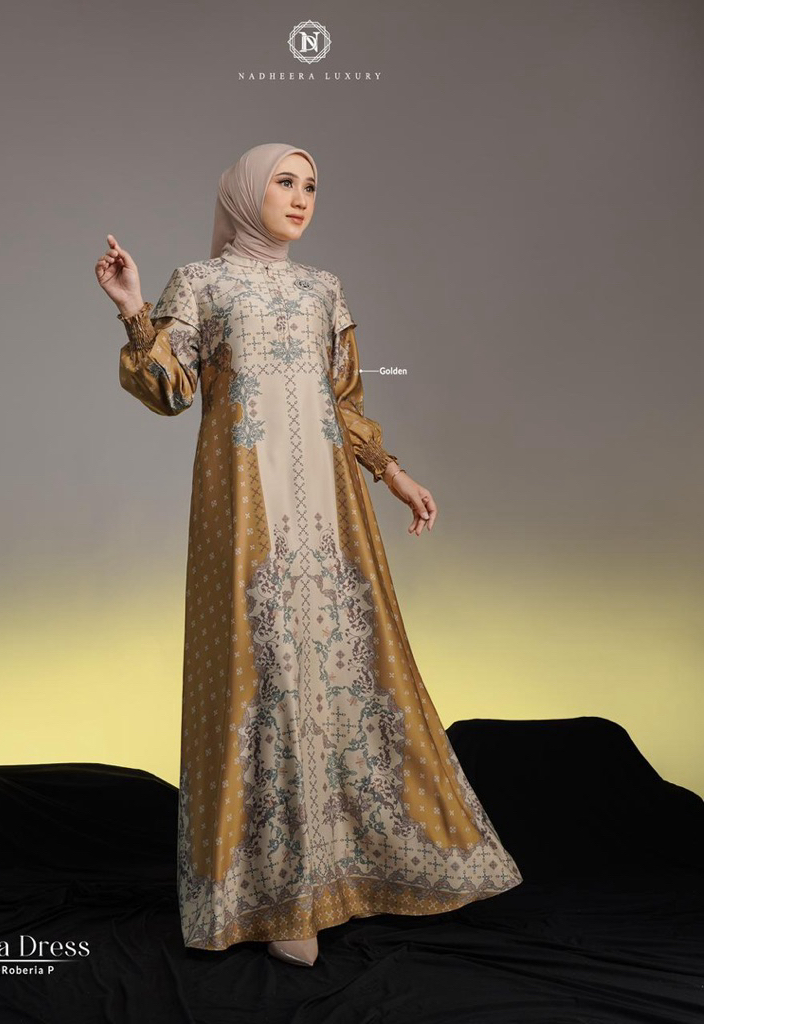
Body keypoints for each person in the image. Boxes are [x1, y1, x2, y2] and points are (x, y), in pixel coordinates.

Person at [95, 143, 523, 967]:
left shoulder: (324, 289)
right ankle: (280, 895)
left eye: (311, 186)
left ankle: (348, 870)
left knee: (340, 667)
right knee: (265, 674)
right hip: (245, 514)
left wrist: (393, 474)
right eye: (284, 183)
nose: (301, 198)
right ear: (246, 193)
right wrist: (132, 308)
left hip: (330, 511)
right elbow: (169, 391)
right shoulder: (201, 283)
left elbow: (344, 398)